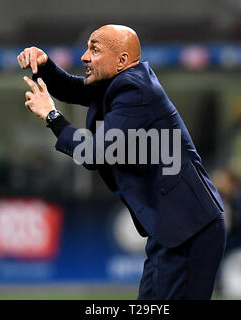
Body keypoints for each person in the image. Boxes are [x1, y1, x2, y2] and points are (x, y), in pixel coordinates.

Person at [17, 24, 226, 300]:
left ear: (123, 60)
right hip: (174, 226)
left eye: (95, 49)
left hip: (188, 226)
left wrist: (52, 117)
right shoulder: (121, 84)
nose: (84, 57)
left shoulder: (134, 90)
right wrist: (44, 67)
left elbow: (95, 153)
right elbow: (77, 89)